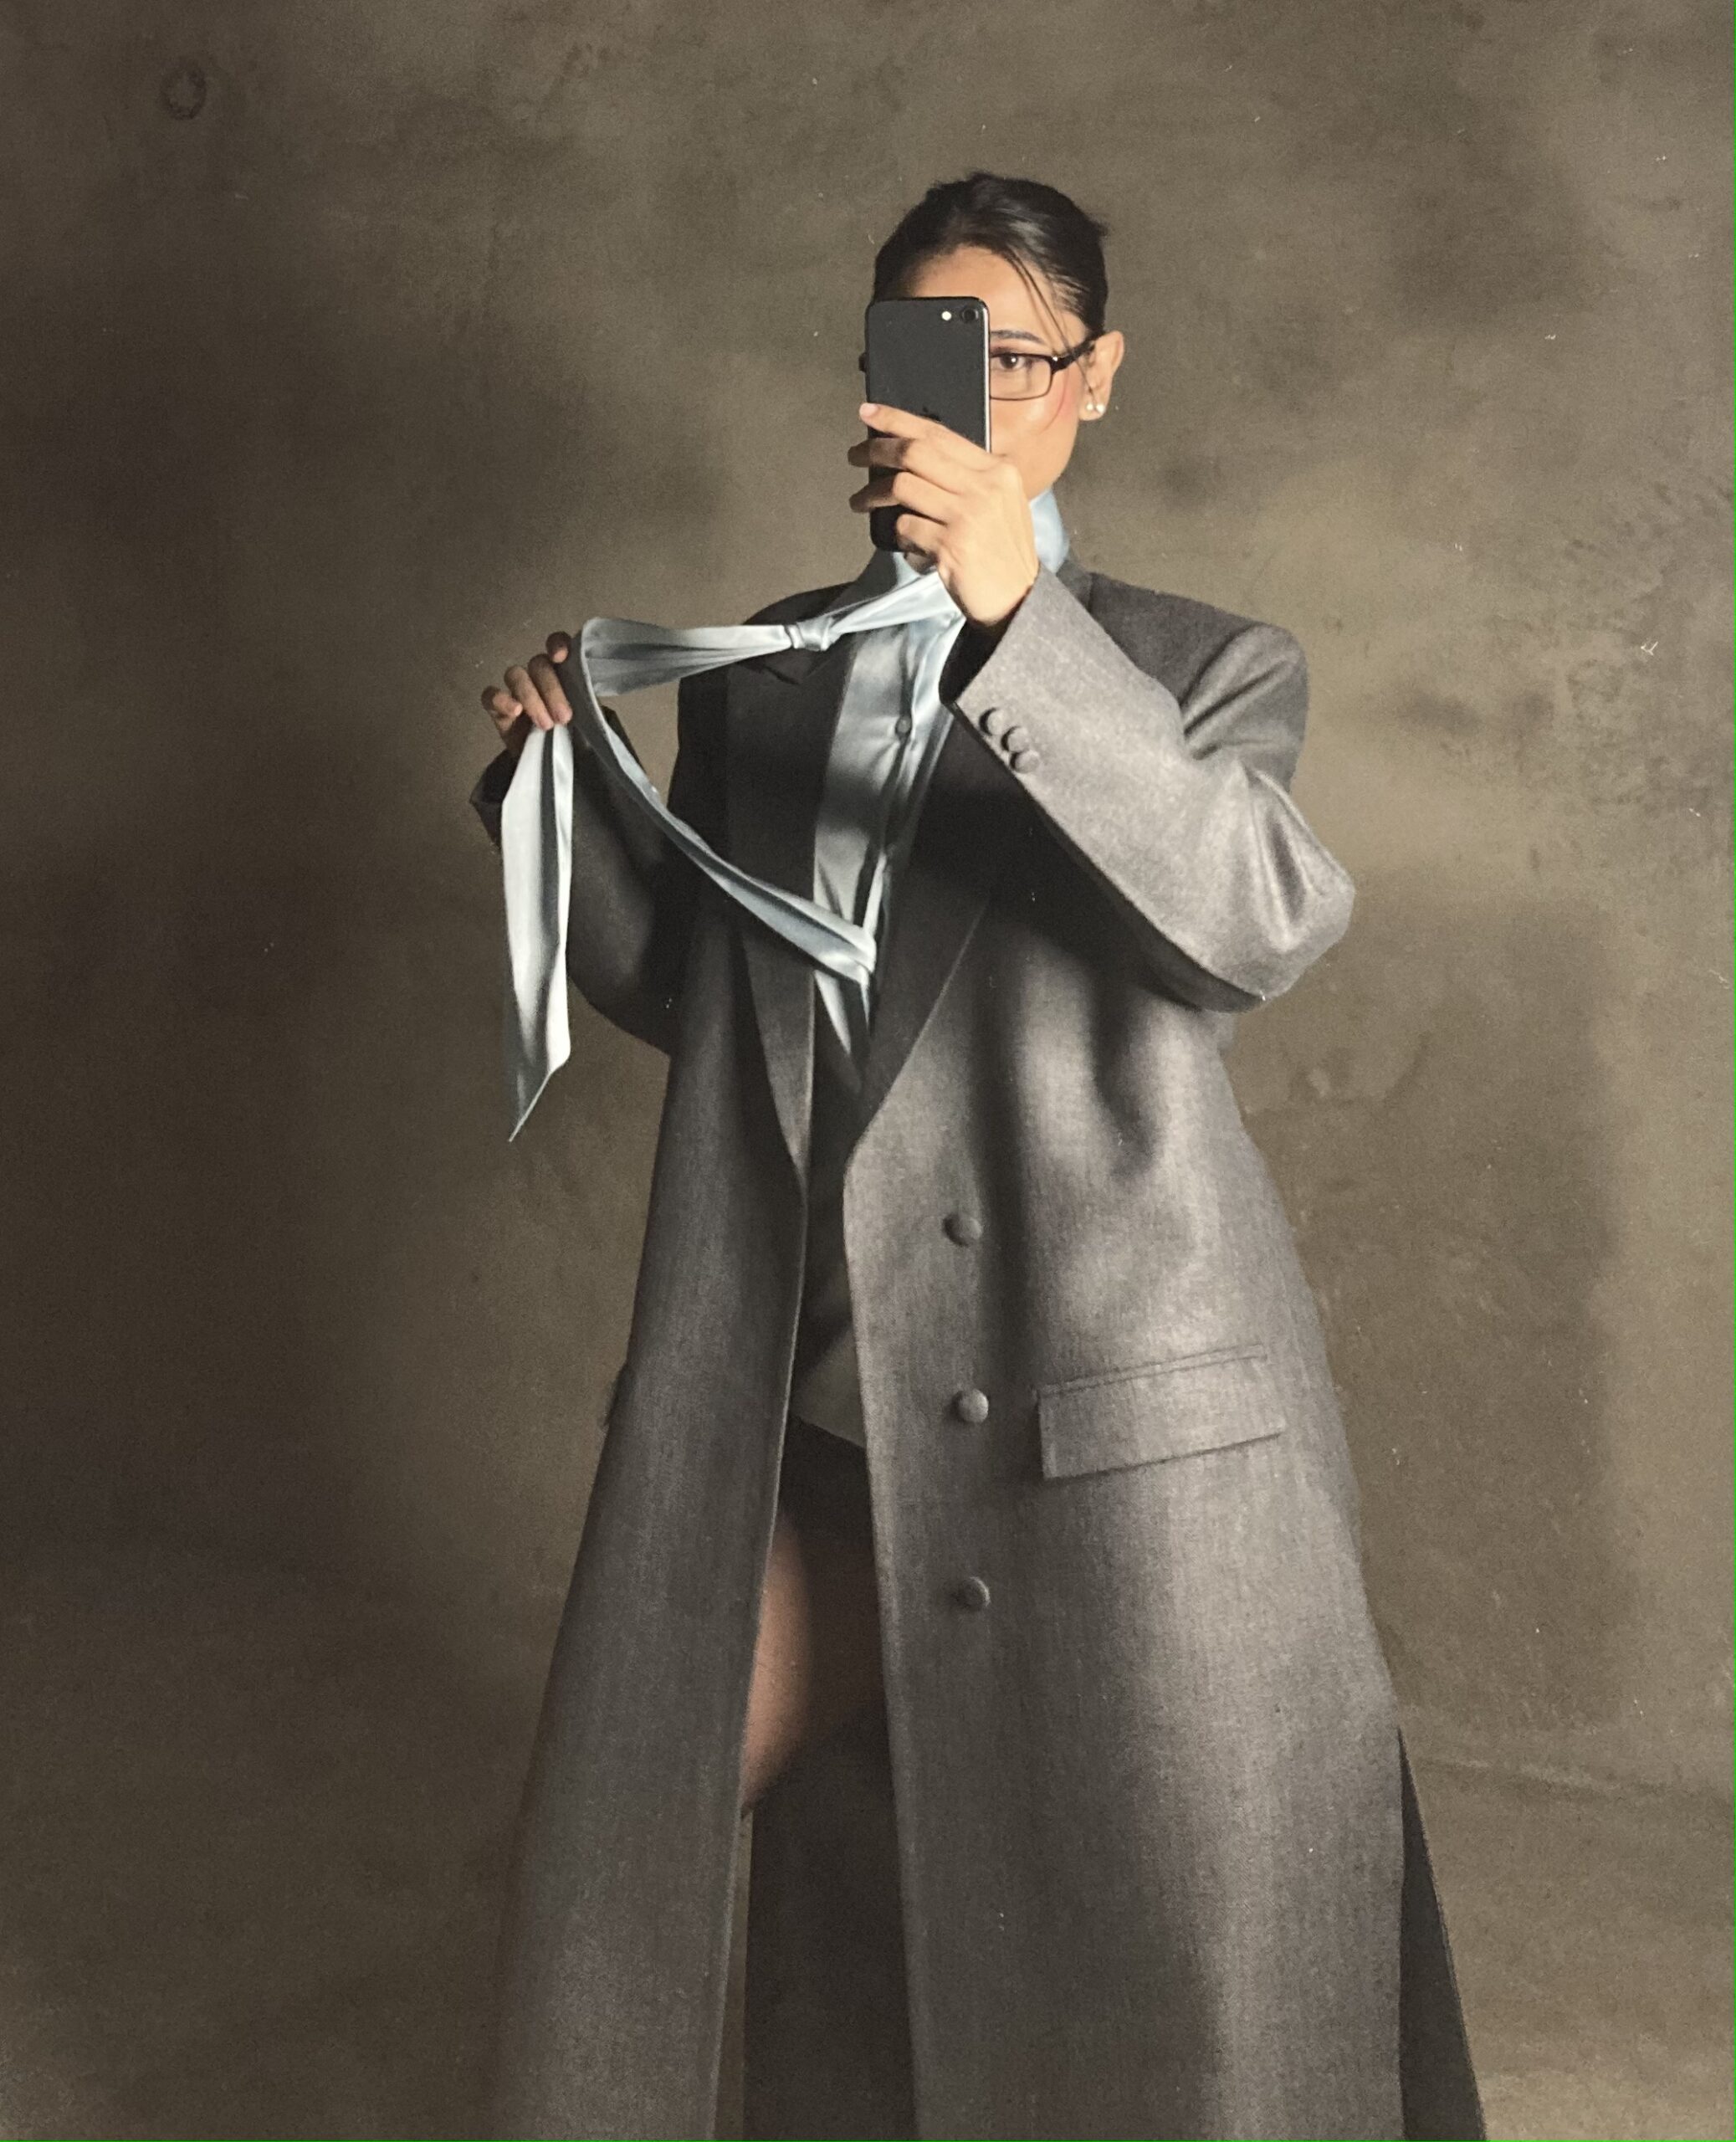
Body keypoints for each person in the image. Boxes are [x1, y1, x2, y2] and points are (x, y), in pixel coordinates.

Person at [472, 172, 1486, 2141]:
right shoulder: (759, 670)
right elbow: (709, 998)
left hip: (1105, 1418)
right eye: (919, 353)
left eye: (1009, 358)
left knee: (1179, 1967)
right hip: (826, 1412)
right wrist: (554, 800)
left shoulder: (1200, 663)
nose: (959, 398)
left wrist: (1019, 617)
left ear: (1093, 380)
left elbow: (1255, 918)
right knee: (620, 1836)